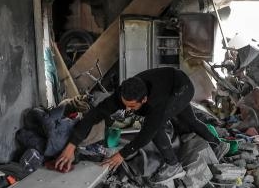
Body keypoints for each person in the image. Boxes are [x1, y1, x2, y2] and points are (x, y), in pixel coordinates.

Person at [55, 67, 228, 180]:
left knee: (158, 126)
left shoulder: (155, 103)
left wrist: (121, 154)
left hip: (181, 88)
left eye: (131, 106)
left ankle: (173, 165)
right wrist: (71, 145)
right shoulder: (124, 94)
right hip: (168, 80)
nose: (127, 109)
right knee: (191, 120)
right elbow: (94, 115)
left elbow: (147, 133)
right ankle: (217, 143)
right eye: (124, 104)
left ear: (144, 100)